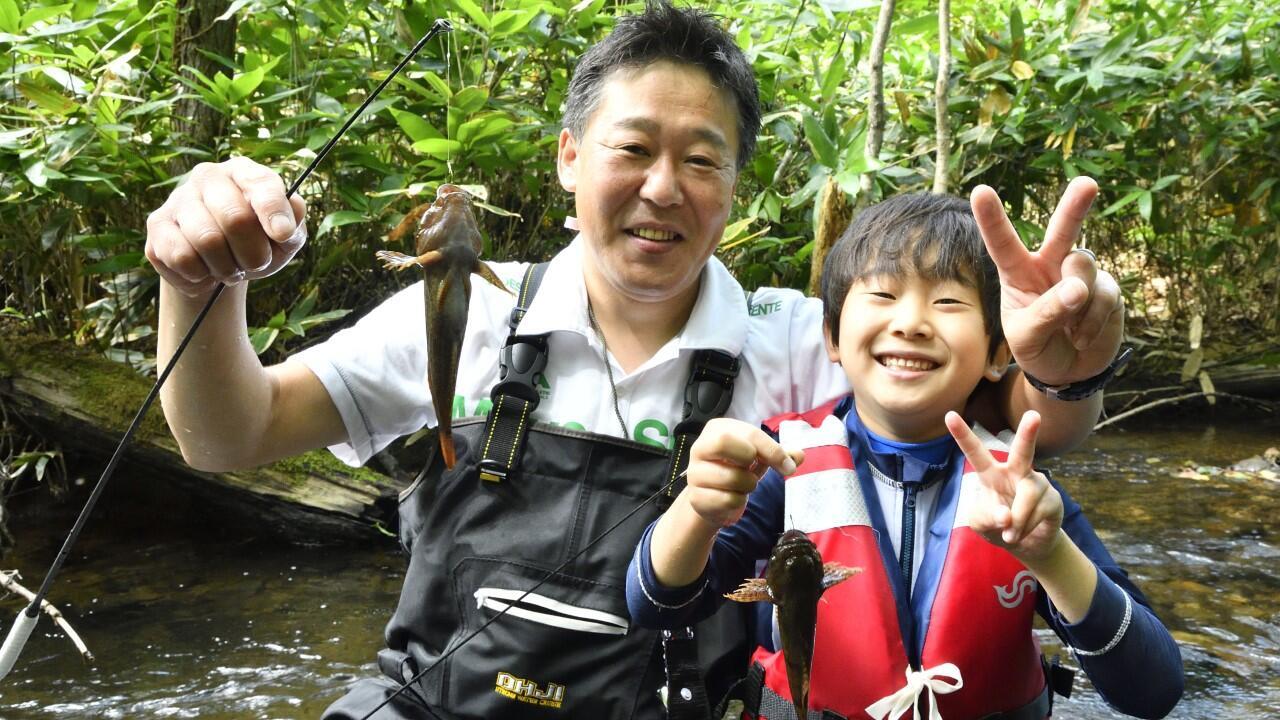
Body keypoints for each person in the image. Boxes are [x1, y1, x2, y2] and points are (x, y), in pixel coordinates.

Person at [143, 2, 1127, 717]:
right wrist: (198, 282)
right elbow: (232, 434)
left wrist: (1059, 366)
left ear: (733, 187)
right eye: (632, 149)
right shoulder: (465, 314)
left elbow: (1008, 431)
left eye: (700, 160)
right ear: (571, 155)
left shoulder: (794, 342)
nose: (663, 187)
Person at [627, 193, 1183, 720]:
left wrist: (1050, 554)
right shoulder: (782, 462)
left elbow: (1153, 689)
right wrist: (695, 512)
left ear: (997, 353)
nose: (912, 322)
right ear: (832, 337)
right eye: (883, 295)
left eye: (947, 301)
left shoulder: (1019, 489)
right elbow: (656, 605)